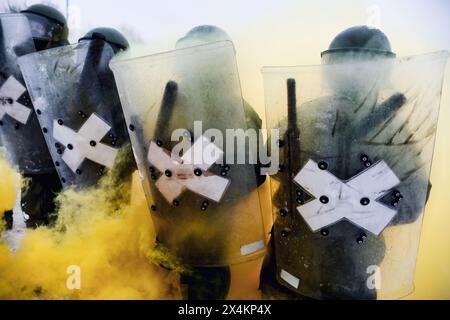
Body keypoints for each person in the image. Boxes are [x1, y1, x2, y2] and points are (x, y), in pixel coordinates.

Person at [260, 25, 440, 299]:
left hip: (340, 273)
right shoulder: (308, 117)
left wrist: (345, 205)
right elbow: (271, 164)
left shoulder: (391, 129)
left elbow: (412, 200)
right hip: (299, 267)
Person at [110, 25, 267, 300]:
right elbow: (254, 176)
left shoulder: (170, 106)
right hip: (180, 233)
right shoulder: (232, 110)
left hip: (202, 239)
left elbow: (251, 174)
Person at [18, 27, 135, 196]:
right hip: (69, 189)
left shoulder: (127, 99)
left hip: (112, 193)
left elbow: (130, 155)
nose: (87, 59)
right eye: (84, 52)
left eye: (98, 54)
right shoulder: (66, 93)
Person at [0, 4, 69, 229]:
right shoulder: (10, 62)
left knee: (56, 223)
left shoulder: (64, 64)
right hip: (24, 156)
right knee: (34, 223)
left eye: (38, 27)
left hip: (58, 159)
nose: (31, 32)